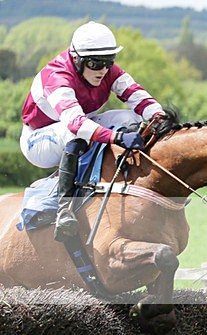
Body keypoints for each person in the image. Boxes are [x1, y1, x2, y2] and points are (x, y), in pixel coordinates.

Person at [19, 21, 164, 241]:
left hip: (78, 126)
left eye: (109, 61)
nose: (103, 70)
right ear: (77, 59)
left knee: (130, 118)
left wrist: (161, 118)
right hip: (38, 140)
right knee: (76, 133)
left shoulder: (107, 71)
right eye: (95, 63)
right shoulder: (57, 76)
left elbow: (138, 96)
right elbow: (76, 123)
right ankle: (65, 210)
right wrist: (117, 137)